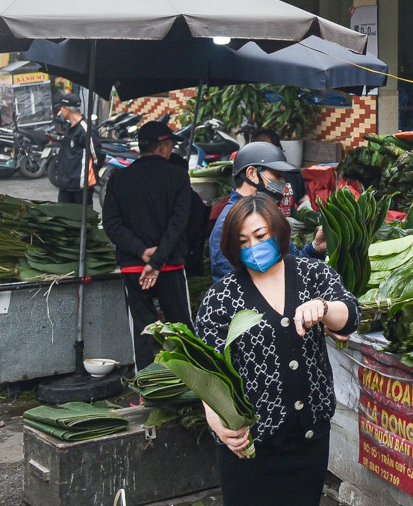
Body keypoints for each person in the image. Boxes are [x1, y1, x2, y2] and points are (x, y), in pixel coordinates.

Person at [194, 195, 356, 506]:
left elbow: (350, 315)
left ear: (278, 231)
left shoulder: (312, 273)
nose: (253, 247)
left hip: (306, 438)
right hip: (248, 446)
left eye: (261, 235)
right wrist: (218, 423)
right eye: (244, 241)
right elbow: (204, 372)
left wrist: (324, 308)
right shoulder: (221, 298)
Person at [102, 120, 195, 369]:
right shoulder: (177, 176)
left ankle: (145, 388)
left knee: (141, 330)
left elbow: (111, 224)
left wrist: (142, 252)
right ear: (164, 147)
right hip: (170, 266)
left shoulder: (119, 179)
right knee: (181, 328)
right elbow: (178, 224)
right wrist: (157, 260)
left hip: (134, 268)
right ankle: (191, 386)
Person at [208, 142, 326, 280]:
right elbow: (231, 284)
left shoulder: (270, 215)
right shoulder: (228, 222)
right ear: (251, 173)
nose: (283, 183)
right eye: (277, 175)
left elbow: (295, 263)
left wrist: (316, 247)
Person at [50, 93, 99, 206]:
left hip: (80, 187)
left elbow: (97, 157)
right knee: (64, 219)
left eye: (61, 108)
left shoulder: (85, 130)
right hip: (65, 185)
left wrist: (86, 177)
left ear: (67, 109)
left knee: (82, 220)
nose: (60, 111)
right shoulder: (68, 128)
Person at [247, 128, 309, 211]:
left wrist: (307, 211)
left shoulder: (292, 173)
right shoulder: (250, 176)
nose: (281, 180)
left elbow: (302, 198)